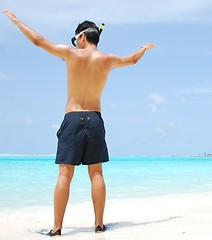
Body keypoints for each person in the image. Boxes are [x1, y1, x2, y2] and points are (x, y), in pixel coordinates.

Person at [2, 10, 156, 237]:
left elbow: (38, 40)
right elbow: (132, 60)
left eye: (75, 38)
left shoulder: (71, 54)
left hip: (73, 117)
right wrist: (143, 48)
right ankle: (99, 225)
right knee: (96, 173)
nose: (74, 42)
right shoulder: (108, 59)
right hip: (94, 119)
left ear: (82, 37)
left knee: (65, 173)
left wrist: (16, 22)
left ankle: (57, 229)